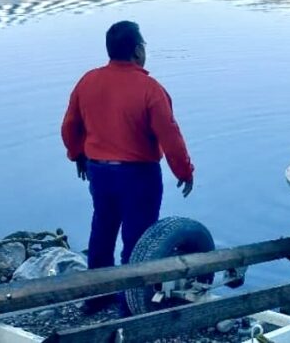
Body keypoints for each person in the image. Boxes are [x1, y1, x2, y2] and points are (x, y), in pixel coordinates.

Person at [61, 20, 195, 313]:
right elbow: (170, 137)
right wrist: (184, 171)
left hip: (99, 171)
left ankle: (97, 296)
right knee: (137, 239)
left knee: (102, 230)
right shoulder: (150, 89)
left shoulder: (88, 81)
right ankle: (129, 305)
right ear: (137, 51)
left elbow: (70, 126)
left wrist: (78, 155)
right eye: (143, 45)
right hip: (138, 175)